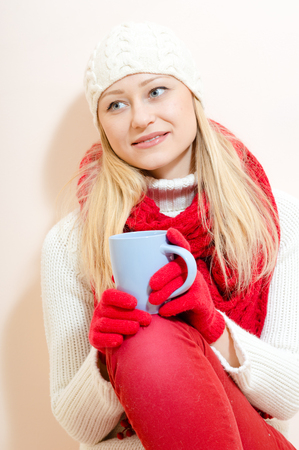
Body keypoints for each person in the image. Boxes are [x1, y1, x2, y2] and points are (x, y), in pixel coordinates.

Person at [41, 22, 299, 449]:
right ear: (102, 125)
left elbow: (290, 395)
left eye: (157, 91)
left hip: (253, 438)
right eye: (116, 105)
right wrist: (107, 358)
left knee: (152, 328)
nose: (141, 118)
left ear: (192, 95)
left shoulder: (276, 216)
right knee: (145, 330)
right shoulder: (71, 240)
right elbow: (80, 425)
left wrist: (213, 327)